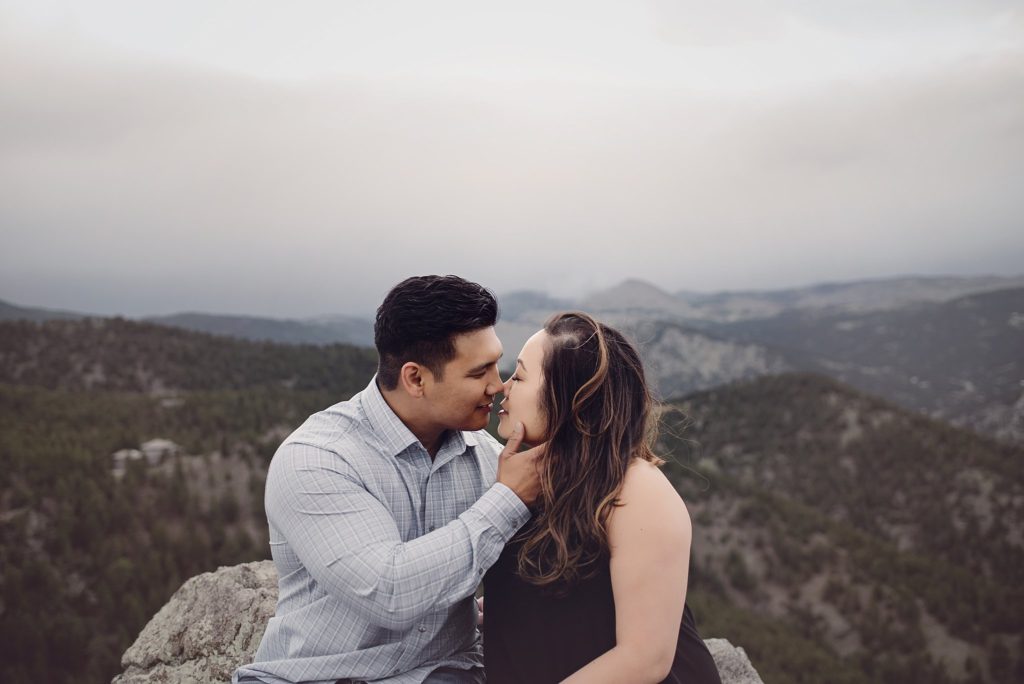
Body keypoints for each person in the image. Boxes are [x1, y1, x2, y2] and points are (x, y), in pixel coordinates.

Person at [234, 275, 542, 684]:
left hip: (443, 675)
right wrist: (507, 500)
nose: (497, 385)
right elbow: (389, 593)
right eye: (478, 372)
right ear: (415, 379)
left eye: (496, 363)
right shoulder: (317, 457)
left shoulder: (487, 458)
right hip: (315, 676)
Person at [483, 312, 722, 684]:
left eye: (521, 376)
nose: (504, 386)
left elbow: (645, 659)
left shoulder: (636, 488)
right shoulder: (536, 480)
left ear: (570, 396)